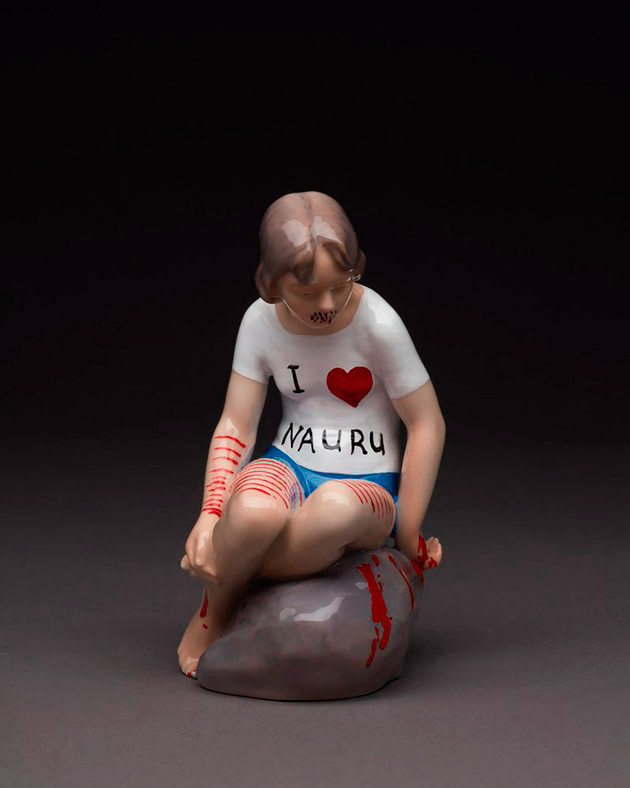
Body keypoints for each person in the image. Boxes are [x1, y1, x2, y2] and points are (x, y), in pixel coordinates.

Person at [177, 191, 446, 679]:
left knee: (334, 510)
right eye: (306, 292)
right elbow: (237, 423)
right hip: (289, 464)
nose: (326, 304)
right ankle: (213, 610)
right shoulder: (259, 323)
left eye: (339, 286)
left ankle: (229, 582)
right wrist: (211, 513)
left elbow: (427, 422)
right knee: (252, 512)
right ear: (271, 283)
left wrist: (408, 531)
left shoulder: (379, 323)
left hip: (367, 484)